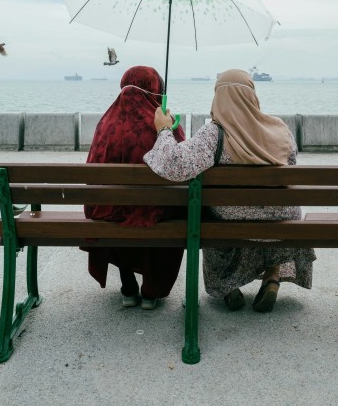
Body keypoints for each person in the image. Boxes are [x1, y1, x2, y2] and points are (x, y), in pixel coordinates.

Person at [144, 68, 316, 312]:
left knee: (207, 214)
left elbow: (176, 165)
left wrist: (163, 129)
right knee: (274, 210)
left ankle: (228, 286)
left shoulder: (214, 133)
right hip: (282, 219)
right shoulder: (280, 129)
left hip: (232, 218)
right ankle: (272, 276)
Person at [82, 65, 186, 310]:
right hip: (156, 218)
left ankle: (128, 284)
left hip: (108, 217)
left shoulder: (105, 123)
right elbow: (181, 168)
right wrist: (169, 128)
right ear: (154, 89)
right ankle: (151, 291)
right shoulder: (164, 125)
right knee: (165, 207)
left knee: (115, 207)